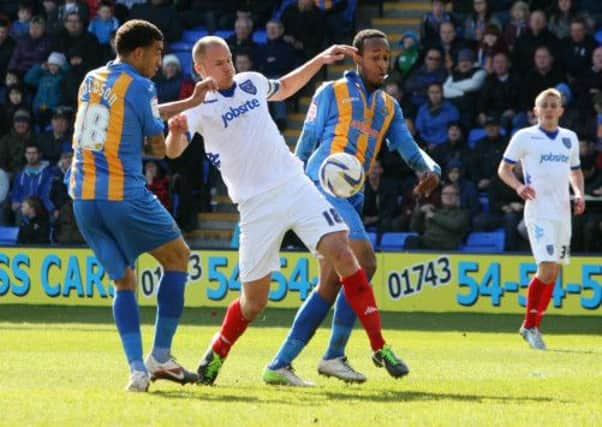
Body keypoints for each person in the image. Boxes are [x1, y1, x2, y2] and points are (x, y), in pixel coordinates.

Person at [165, 34, 421, 387]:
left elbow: (284, 87)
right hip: (255, 206)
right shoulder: (195, 107)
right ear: (200, 67)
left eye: (229, 60)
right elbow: (174, 151)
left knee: (344, 254)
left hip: (295, 185)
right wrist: (176, 133)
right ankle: (216, 355)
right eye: (219, 63)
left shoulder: (251, 82)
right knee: (254, 303)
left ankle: (380, 346)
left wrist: (320, 58)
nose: (228, 67)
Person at [263, 29, 441, 385]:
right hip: (318, 188)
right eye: (375, 56)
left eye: (386, 57)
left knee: (330, 283)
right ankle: (336, 353)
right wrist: (291, 188)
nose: (382, 63)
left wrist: (430, 168)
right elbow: (307, 142)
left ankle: (280, 364)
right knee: (365, 261)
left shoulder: (389, 106)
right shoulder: (331, 92)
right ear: (358, 58)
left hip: (350, 197)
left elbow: (408, 148)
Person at [68, 19, 200, 392]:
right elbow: (158, 147)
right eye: (157, 53)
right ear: (139, 52)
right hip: (123, 194)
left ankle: (137, 372)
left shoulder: (92, 79)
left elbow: (127, 114)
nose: (160, 60)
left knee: (123, 280)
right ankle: (160, 356)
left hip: (83, 197)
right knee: (177, 257)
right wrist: (175, 131)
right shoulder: (141, 85)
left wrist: (188, 102)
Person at [497, 87, 585, 350]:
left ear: (561, 110)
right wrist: (519, 187)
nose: (548, 109)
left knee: (554, 271)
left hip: (562, 212)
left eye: (553, 105)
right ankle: (530, 327)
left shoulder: (570, 138)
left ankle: (533, 325)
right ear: (535, 111)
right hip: (538, 211)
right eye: (543, 105)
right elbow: (504, 168)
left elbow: (576, 171)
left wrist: (578, 193)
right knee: (546, 267)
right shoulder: (524, 137)